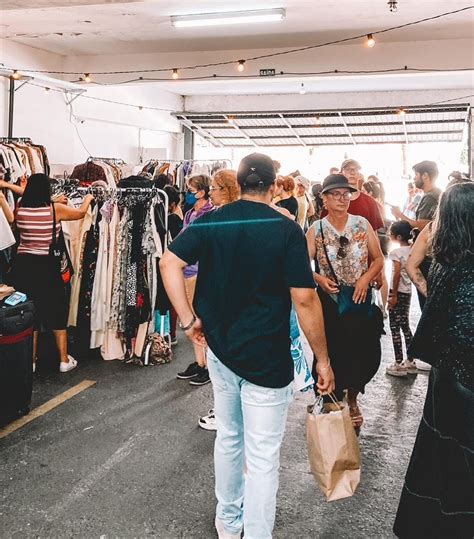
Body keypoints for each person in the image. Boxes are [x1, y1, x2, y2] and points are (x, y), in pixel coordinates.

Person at [160, 153, 334, 539]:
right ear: (274, 187)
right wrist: (322, 359)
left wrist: (188, 321)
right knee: (262, 455)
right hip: (268, 359)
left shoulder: (211, 221)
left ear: (238, 184)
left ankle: (228, 522)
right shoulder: (286, 229)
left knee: (229, 438)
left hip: (221, 352)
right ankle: (256, 532)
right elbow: (305, 301)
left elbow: (168, 263)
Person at [393, 182, 474, 538]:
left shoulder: (444, 261)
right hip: (466, 377)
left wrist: (432, 300)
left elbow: (415, 268)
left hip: (445, 376)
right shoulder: (467, 266)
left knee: (439, 454)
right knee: (462, 458)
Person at [307, 174, 384, 431]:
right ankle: (333, 399)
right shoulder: (315, 230)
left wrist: (364, 280)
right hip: (329, 303)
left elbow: (378, 259)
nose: (343, 199)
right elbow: (300, 266)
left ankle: (352, 400)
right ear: (324, 198)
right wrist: (318, 278)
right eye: (336, 194)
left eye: (347, 194)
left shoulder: (361, 224)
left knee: (362, 353)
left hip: (359, 300)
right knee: (333, 352)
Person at [11, 173, 93, 373]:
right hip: (48, 267)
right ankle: (64, 360)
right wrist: (88, 199)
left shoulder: (20, 207)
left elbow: (26, 195)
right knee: (57, 311)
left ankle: (30, 361)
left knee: (31, 313)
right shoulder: (56, 210)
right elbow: (80, 214)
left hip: (24, 266)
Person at [199, 169, 240, 432]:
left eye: (215, 188)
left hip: (224, 298)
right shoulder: (240, 217)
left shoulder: (217, 219)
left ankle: (224, 412)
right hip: (233, 298)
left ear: (226, 190)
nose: (211, 192)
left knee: (223, 361)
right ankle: (228, 409)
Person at [175, 174, 214, 386]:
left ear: (202, 191)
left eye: (191, 190)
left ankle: (208, 365)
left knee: (202, 319)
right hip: (186, 269)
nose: (188, 194)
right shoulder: (190, 212)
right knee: (191, 319)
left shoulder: (211, 213)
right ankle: (199, 362)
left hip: (200, 270)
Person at [392, 161, 442, 309]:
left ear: (425, 176)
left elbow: (425, 224)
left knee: (427, 303)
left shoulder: (430, 197)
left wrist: (400, 216)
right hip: (431, 255)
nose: (414, 179)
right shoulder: (435, 194)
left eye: (416, 175)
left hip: (426, 256)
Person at [385, 221, 417, 377]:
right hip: (408, 292)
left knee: (394, 327)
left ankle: (398, 363)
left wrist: (393, 295)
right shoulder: (412, 250)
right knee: (405, 326)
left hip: (397, 292)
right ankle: (411, 361)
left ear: (397, 236)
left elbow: (396, 274)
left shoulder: (396, 253)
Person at [321, 159, 384, 232]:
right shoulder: (331, 203)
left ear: (360, 175)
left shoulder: (370, 202)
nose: (352, 172)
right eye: (348, 169)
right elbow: (322, 231)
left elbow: (374, 233)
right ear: (341, 173)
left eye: (356, 169)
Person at [163, 185, 183, 347]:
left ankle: (171, 332)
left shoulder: (172, 219)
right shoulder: (177, 216)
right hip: (177, 262)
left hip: (172, 262)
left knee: (169, 298)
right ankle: (171, 332)